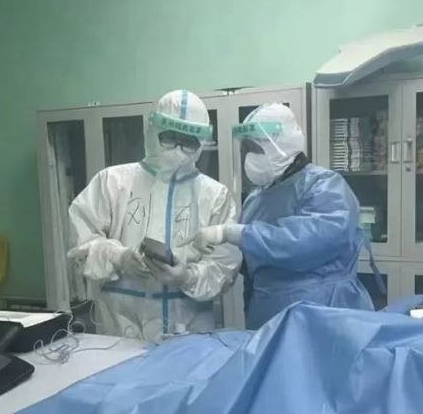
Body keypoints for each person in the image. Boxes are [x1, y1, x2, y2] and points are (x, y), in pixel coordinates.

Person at [183, 103, 377, 330]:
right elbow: (252, 268)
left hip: (324, 316)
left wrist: (230, 232)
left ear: (283, 146)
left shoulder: (324, 186)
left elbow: (304, 243)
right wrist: (192, 269)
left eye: (257, 148)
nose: (250, 156)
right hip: (267, 316)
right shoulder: (255, 199)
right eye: (247, 148)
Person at [67, 90, 242, 340]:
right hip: (121, 329)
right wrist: (120, 257)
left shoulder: (215, 196)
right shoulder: (112, 182)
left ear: (201, 144)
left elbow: (224, 266)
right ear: (152, 130)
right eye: (169, 137)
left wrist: (187, 277)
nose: (177, 150)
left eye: (188, 142)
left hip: (189, 330)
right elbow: (80, 247)